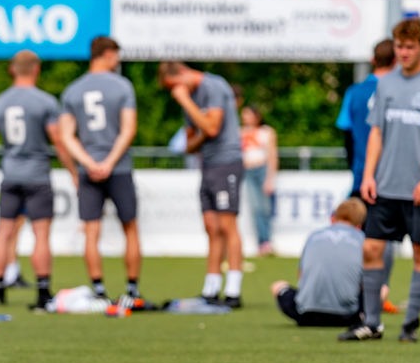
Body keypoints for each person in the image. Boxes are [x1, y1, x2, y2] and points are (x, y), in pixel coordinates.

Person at [338, 17, 420, 343]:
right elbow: (376, 133)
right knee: (371, 248)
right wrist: (368, 175)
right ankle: (372, 323)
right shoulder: (386, 84)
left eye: (410, 47)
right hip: (385, 186)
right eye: (400, 47)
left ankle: (410, 324)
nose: (404, 52)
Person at [0, 50, 75, 308]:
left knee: (3, 233)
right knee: (41, 235)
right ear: (36, 69)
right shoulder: (46, 102)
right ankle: (42, 291)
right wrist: (73, 172)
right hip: (38, 175)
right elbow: (58, 141)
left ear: (12, 70)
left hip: (10, 175)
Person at [58, 36, 144, 302]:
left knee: (91, 231)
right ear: (107, 54)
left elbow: (66, 135)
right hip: (119, 168)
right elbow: (128, 129)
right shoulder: (122, 86)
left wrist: (88, 163)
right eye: (116, 56)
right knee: (130, 228)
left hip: (89, 170)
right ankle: (132, 289)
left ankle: (98, 290)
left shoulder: (73, 90)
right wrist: (109, 162)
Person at [158, 61, 244, 307]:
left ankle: (233, 291)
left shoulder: (213, 86)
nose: (174, 92)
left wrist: (187, 104)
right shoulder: (192, 98)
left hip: (226, 162)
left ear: (182, 73)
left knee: (227, 225)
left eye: (174, 86)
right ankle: (211, 288)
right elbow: (189, 145)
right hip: (207, 165)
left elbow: (212, 128)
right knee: (211, 227)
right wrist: (202, 129)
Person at [335, 39, 401, 315]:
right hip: (393, 177)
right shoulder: (400, 89)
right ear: (396, 60)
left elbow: (346, 132)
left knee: (354, 237)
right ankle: (380, 294)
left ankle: (350, 292)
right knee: (385, 239)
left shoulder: (355, 92)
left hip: (362, 176)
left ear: (373, 60)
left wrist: (357, 169)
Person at [271, 198, 366, 327]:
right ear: (359, 226)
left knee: (278, 286)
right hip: (348, 316)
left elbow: (301, 276)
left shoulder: (314, 236)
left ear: (333, 219)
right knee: (381, 290)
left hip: (305, 314)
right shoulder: (363, 239)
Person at [240, 104, 278, 257]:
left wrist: (270, 178)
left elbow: (272, 155)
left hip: (262, 170)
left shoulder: (266, 132)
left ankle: (266, 241)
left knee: (264, 208)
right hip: (247, 171)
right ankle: (261, 242)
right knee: (255, 207)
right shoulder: (240, 132)